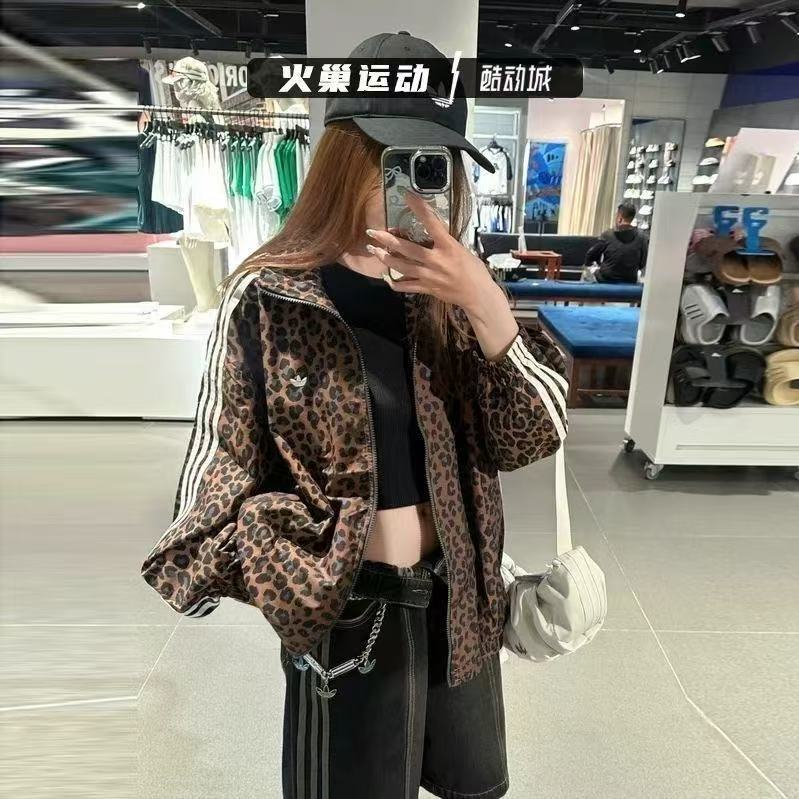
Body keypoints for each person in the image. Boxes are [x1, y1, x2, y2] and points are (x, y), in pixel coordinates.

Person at [141, 32, 568, 799]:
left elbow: (531, 435)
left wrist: (483, 302)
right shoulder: (274, 293)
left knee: (471, 783)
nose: (417, 186)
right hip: (345, 603)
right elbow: (225, 451)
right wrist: (255, 566)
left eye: (435, 164)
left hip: (462, 596)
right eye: (394, 160)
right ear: (346, 160)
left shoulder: (457, 294)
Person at [582, 203, 649, 283]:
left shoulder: (608, 235)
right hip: (630, 279)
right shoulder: (642, 237)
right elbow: (642, 263)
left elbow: (590, 255)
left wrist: (597, 265)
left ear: (619, 218)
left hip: (605, 279)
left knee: (586, 274)